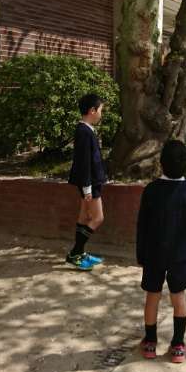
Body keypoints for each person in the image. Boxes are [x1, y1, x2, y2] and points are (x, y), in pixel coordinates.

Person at [136, 139, 186, 363]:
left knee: (152, 296)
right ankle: (178, 345)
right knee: (178, 297)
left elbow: (142, 226)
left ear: (161, 163)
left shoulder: (151, 190)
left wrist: (141, 254)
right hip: (179, 255)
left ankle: (150, 342)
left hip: (153, 254)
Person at [66, 93, 106, 271]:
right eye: (100, 110)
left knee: (84, 217)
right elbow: (84, 162)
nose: (101, 114)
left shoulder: (86, 130)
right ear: (92, 111)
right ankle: (75, 253)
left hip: (90, 182)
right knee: (97, 218)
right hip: (90, 183)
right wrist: (87, 188)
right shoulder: (84, 132)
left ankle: (79, 254)